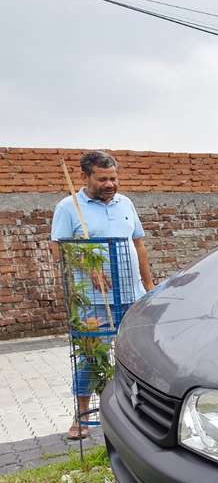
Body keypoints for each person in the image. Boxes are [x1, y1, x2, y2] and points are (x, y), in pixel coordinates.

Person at [50, 151, 154, 439]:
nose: (110, 184)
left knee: (137, 356)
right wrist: (88, 266)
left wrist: (148, 285)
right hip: (94, 302)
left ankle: (138, 413)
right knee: (91, 358)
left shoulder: (126, 203)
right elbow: (58, 248)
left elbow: (139, 244)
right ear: (85, 177)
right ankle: (81, 418)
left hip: (132, 296)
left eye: (114, 178)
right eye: (103, 178)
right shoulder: (70, 207)